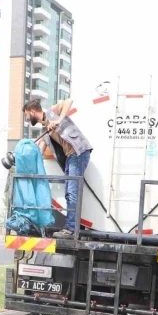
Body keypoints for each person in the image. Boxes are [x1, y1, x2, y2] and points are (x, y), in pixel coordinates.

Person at [23, 98, 92, 238]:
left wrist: (59, 120)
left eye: (26, 115)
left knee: (72, 192)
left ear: (32, 111)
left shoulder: (52, 112)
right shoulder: (44, 130)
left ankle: (71, 229)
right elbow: (40, 150)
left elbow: (70, 101)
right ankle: (71, 227)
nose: (27, 118)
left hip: (78, 152)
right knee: (69, 192)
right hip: (70, 157)